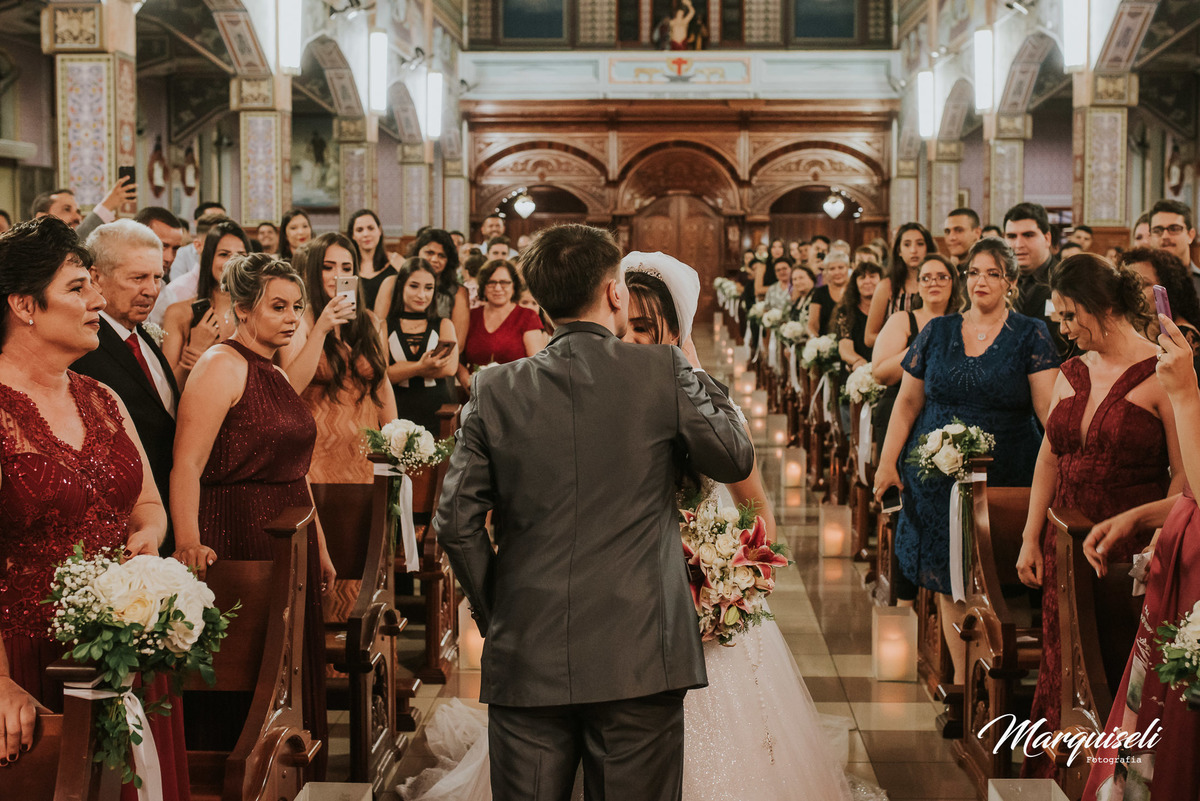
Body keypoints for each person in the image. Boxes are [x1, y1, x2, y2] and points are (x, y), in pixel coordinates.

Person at [433, 224, 754, 801]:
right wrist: (693, 370)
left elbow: (456, 524)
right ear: (614, 293)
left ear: (539, 301)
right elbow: (733, 457)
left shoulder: (494, 387)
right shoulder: (662, 371)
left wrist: (498, 612)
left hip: (528, 648)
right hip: (641, 652)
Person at [0, 217, 189, 798]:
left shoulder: (102, 397)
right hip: (27, 661)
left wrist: (148, 539)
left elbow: (149, 502)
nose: (98, 301)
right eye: (78, 287)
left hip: (121, 650)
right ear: (24, 305)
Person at [1012, 254, 1180, 780]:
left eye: (1069, 315)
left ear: (1103, 306)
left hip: (1129, 546)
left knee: (1115, 661)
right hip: (1064, 541)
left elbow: (1183, 475)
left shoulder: (1162, 372)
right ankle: (1061, 772)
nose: (1062, 328)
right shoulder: (1072, 371)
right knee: (1065, 660)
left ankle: (1115, 777)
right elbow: (1048, 458)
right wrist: (1030, 536)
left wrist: (1160, 536)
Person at [170, 253, 333, 780]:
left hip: (289, 533)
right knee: (251, 669)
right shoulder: (221, 364)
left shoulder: (276, 370)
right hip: (238, 529)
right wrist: (189, 540)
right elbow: (187, 463)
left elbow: (296, 472)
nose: (292, 317)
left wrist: (321, 546)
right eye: (278, 306)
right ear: (243, 309)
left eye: (297, 307)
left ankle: (291, 781)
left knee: (290, 663)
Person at [873, 237, 1060, 685]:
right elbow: (907, 403)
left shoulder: (1030, 333)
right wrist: (887, 462)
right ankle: (963, 686)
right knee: (947, 578)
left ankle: (1001, 684)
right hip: (935, 475)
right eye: (974, 272)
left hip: (1008, 474)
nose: (981, 281)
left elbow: (1048, 413)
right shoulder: (937, 332)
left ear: (1011, 282)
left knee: (1003, 578)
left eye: (993, 273)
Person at [1079, 314, 1200, 799]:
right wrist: (1139, 518)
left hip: (1195, 578)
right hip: (1181, 565)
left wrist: (1185, 395)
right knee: (1155, 706)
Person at [72, 220, 179, 555]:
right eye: (138, 278)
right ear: (96, 277)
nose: (152, 290)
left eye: (158, 277)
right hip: (122, 529)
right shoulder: (83, 348)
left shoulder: (140, 335)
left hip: (161, 519)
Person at [281, 233, 396, 484]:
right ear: (314, 271)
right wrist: (321, 329)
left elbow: (382, 386)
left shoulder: (370, 321)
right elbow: (289, 388)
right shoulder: (299, 321)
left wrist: (395, 443)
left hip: (366, 455)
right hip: (315, 458)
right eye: (328, 267)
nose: (337, 275)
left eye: (346, 268)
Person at [161, 219, 249, 389]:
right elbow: (169, 390)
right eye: (224, 254)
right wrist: (194, 350)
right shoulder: (178, 313)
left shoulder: (257, 313)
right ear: (209, 259)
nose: (233, 262)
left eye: (240, 255)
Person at [384, 258, 458, 432]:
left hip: (438, 411)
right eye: (414, 286)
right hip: (396, 412)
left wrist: (401, 369)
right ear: (401, 285)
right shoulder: (384, 326)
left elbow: (449, 369)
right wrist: (422, 366)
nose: (422, 295)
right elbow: (384, 375)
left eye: (429, 288)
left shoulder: (444, 324)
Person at [376, 229, 470, 363]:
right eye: (429, 252)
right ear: (418, 252)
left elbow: (457, 346)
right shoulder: (391, 283)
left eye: (442, 255)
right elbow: (377, 331)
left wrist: (428, 365)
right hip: (391, 363)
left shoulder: (458, 292)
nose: (434, 259)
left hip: (440, 364)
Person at [456, 260, 544, 390]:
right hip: (475, 393)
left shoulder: (527, 316)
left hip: (515, 393)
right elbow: (457, 357)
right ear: (483, 286)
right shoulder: (471, 316)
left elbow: (537, 365)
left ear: (514, 285)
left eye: (504, 282)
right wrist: (466, 381)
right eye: (491, 282)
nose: (497, 288)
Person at [1004, 202, 1068, 356]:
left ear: (1047, 238)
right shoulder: (997, 281)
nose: (1018, 244)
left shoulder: (1069, 280)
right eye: (1011, 236)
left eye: (1028, 235)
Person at [864, 222, 934, 348]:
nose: (913, 250)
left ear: (928, 248)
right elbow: (869, 337)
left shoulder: (938, 284)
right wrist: (907, 344)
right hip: (895, 355)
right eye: (907, 244)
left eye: (920, 244)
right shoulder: (887, 286)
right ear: (899, 251)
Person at [1120, 246, 1200, 353]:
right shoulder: (1131, 327)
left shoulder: (1184, 334)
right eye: (1130, 285)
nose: (1134, 291)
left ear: (1167, 288)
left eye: (1144, 284)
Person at [347, 208, 400, 314]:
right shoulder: (346, 266)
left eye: (371, 228)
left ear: (379, 231)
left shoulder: (396, 262)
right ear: (353, 235)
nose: (366, 234)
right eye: (359, 230)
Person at [835, 260, 884, 371]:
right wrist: (859, 363)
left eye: (872, 276)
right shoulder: (846, 311)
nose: (867, 281)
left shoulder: (891, 308)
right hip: (856, 367)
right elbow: (844, 348)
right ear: (855, 283)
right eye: (862, 278)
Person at [1149, 198, 1200, 299]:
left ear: (1190, 235)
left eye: (1174, 229)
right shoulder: (1140, 284)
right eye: (1157, 230)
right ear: (1150, 237)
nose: (1165, 236)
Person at [806, 248, 850, 337]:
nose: (837, 272)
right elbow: (812, 324)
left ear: (848, 268)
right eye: (832, 269)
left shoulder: (856, 291)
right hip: (825, 342)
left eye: (841, 267)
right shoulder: (819, 293)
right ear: (826, 272)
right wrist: (814, 339)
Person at [133, 207, 185, 282]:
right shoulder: (116, 282)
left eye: (175, 249)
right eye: (162, 246)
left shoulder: (166, 287)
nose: (169, 258)